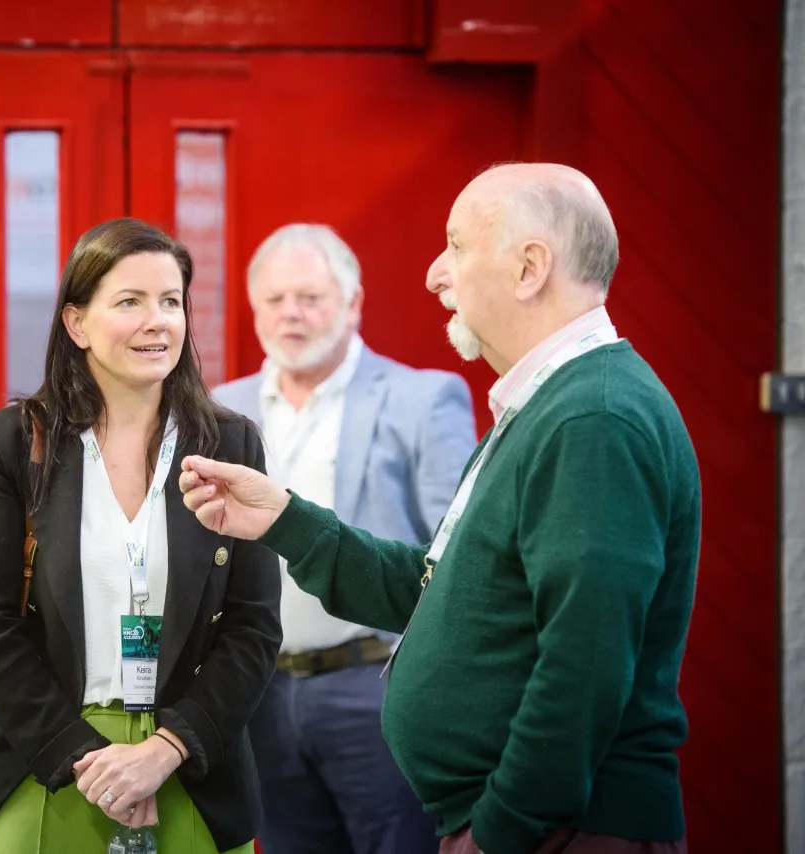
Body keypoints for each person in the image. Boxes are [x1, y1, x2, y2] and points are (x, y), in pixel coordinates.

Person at [178, 163, 697, 854]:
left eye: (456, 245)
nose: (434, 274)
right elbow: (441, 591)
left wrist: (502, 828)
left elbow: (585, 661)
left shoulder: (591, 418)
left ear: (529, 267)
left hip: (557, 833)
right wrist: (284, 519)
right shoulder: (545, 408)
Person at [0, 217, 282, 853]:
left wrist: (167, 748)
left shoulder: (229, 443)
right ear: (77, 324)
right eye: (129, 302)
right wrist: (84, 758)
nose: (156, 321)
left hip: (192, 764)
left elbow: (254, 625)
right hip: (50, 764)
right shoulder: (18, 442)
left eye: (170, 301)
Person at [212, 224, 475, 854]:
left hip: (375, 686)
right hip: (260, 691)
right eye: (274, 300)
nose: (290, 314)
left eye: (310, 297)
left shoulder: (423, 398)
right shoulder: (221, 408)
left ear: (354, 304)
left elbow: (460, 556)